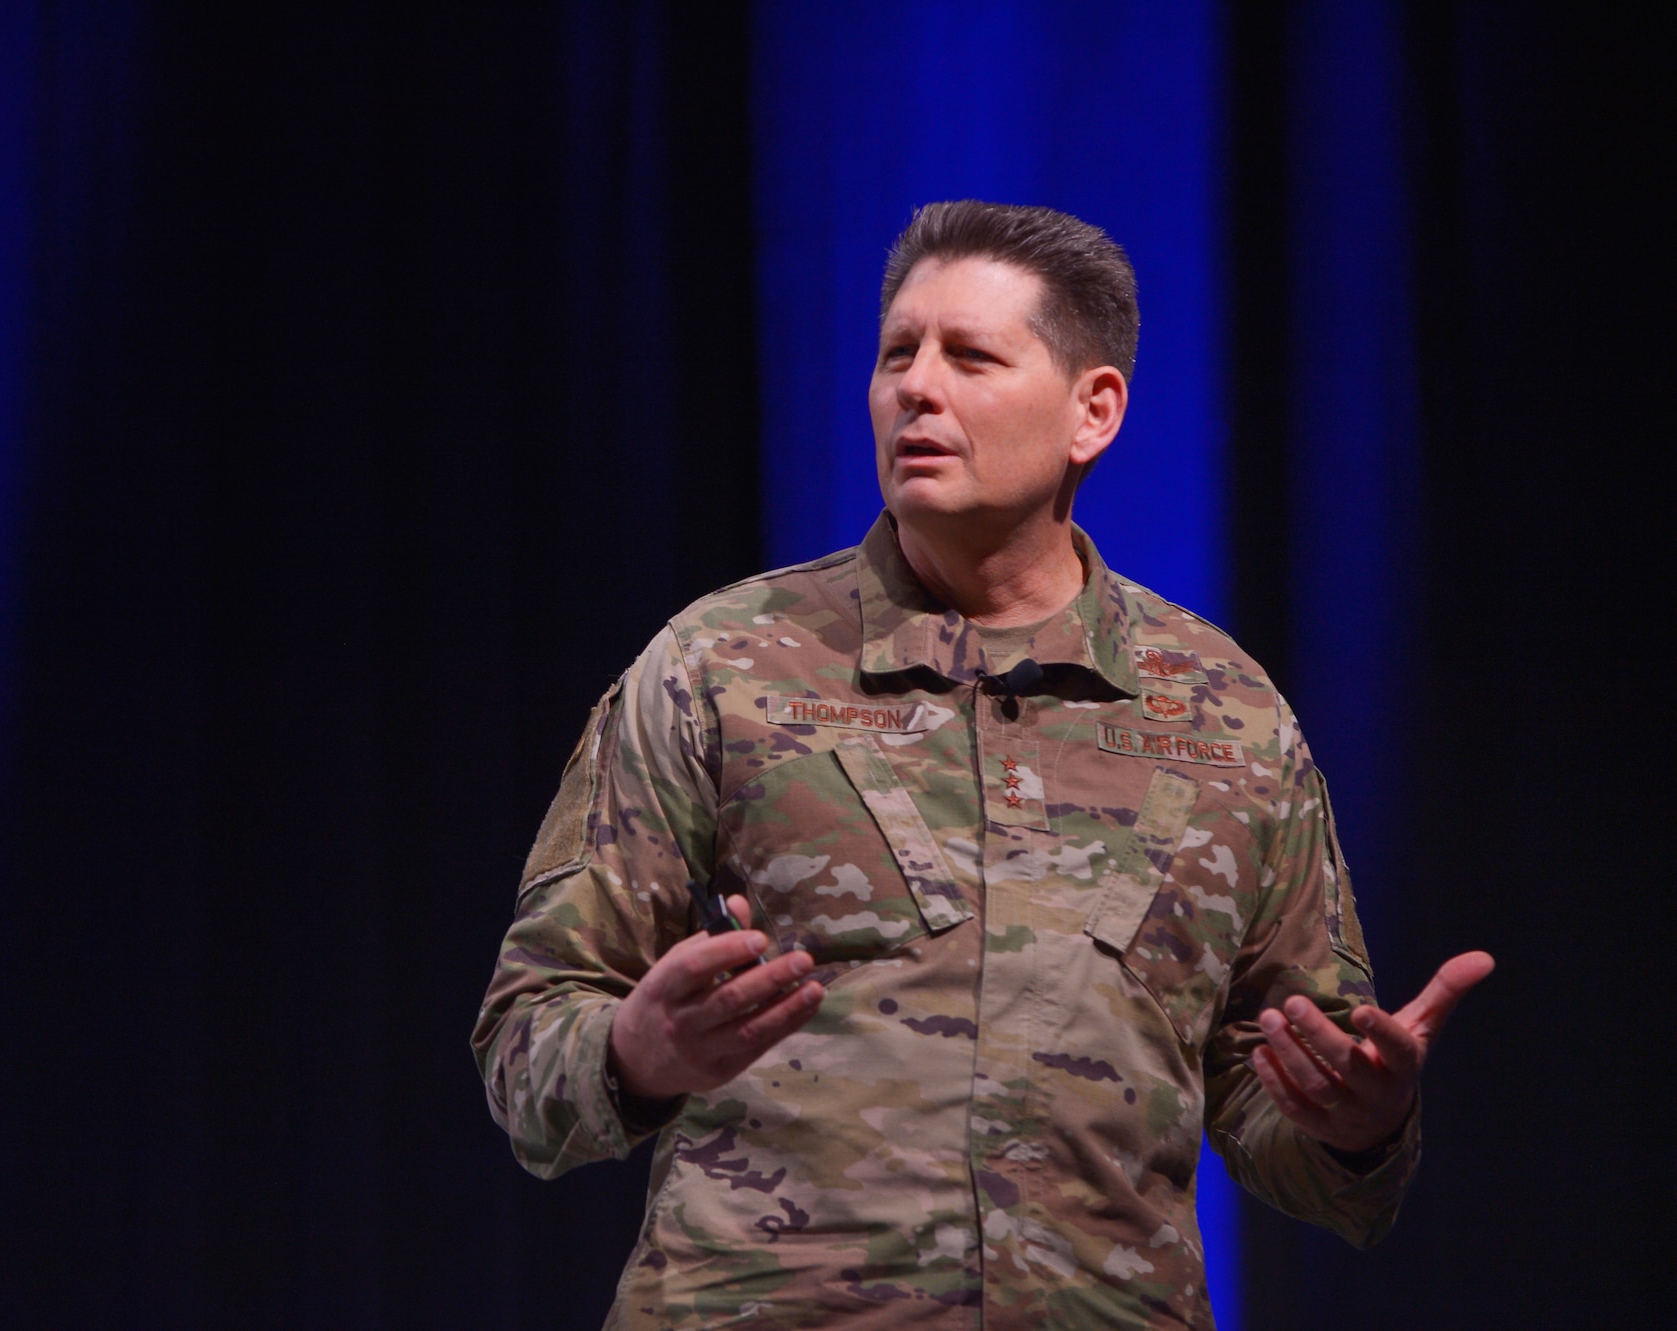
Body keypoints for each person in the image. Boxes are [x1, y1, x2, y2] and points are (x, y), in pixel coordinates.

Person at [473, 201, 1492, 1329]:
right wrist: (635, 1050)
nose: (915, 386)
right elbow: (525, 1049)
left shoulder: (1227, 713)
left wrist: (1357, 1121)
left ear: (1090, 412)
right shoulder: (720, 667)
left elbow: (1277, 1113)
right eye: (895, 353)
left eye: (968, 357)